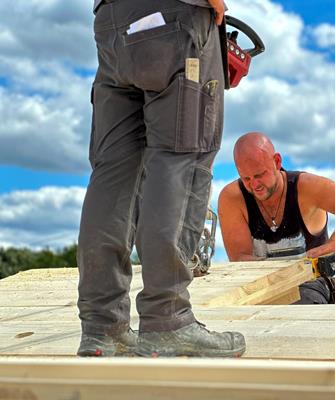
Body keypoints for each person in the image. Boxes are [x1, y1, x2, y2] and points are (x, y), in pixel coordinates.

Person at [76, 0, 245, 357]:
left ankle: (102, 326)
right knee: (181, 158)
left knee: (113, 172)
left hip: (111, 22)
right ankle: (168, 318)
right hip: (176, 16)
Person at [218, 132, 335, 304]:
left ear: (277, 162)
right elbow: (241, 260)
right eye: (246, 178)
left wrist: (332, 245)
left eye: (259, 175)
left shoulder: (306, 188)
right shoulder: (233, 198)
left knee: (301, 304)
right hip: (258, 285)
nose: (255, 185)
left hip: (310, 284)